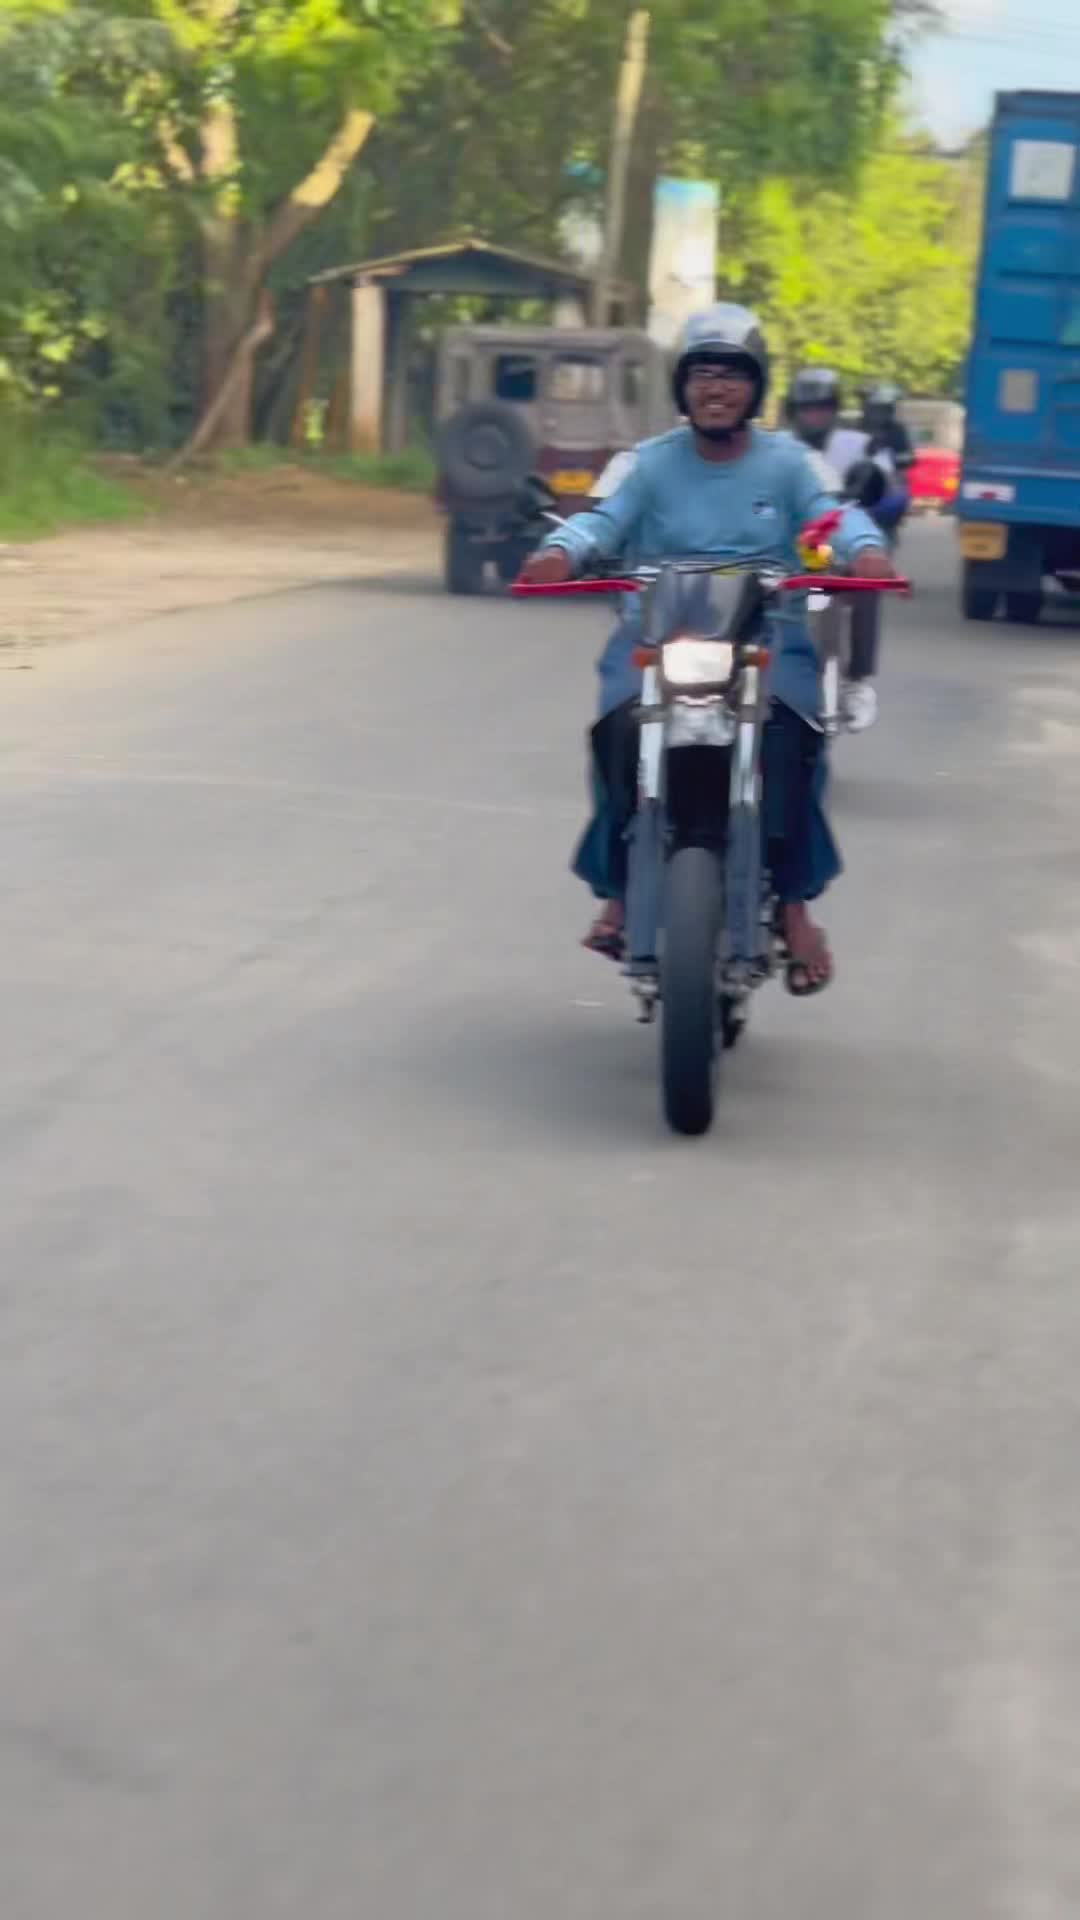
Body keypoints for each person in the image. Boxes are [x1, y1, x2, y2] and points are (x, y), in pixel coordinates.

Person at [520, 304, 894, 993]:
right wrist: (558, 553)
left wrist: (864, 549)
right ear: (681, 386)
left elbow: (833, 516)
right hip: (657, 635)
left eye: (732, 374)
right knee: (617, 734)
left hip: (766, 636)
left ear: (756, 387)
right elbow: (597, 523)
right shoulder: (646, 464)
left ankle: (794, 907)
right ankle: (620, 892)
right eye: (702, 373)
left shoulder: (790, 463)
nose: (716, 387)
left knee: (795, 743)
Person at [785, 366, 886, 732]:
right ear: (793, 410)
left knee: (869, 580)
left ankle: (856, 681)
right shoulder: (775, 448)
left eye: (823, 407)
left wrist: (874, 485)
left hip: (840, 551)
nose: (815, 415)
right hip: (781, 553)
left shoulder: (859, 445)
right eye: (807, 408)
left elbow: (888, 490)